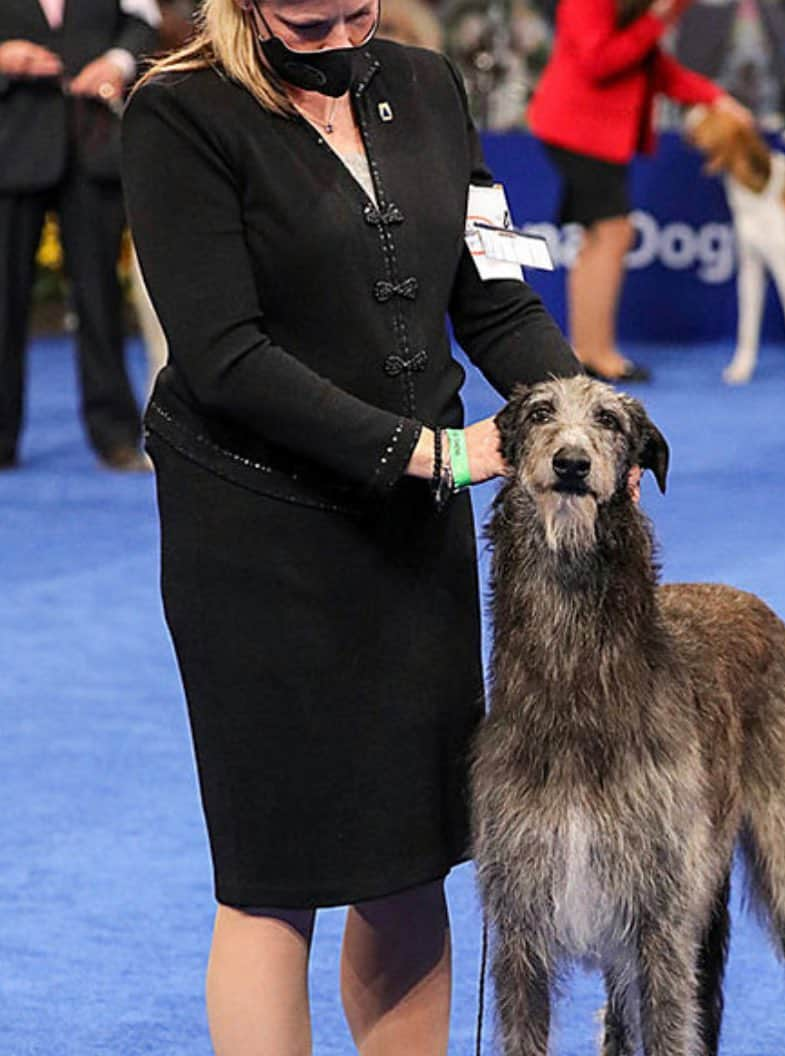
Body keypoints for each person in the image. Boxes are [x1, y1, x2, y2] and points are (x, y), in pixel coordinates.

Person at [121, 0, 581, 1052]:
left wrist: (576, 420)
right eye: (309, 19)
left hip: (409, 544)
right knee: (271, 881)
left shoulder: (429, 86)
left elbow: (496, 297)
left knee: (409, 862)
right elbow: (224, 357)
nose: (340, 40)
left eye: (356, 13)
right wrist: (437, 455)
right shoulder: (176, 114)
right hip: (255, 536)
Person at [528, 0, 752, 382]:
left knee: (598, 237)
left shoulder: (645, 11)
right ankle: (597, 354)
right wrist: (655, 19)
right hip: (577, 128)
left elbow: (656, 69)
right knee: (612, 232)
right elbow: (598, 62)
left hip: (598, 134)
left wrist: (714, 98)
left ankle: (586, 352)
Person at [0, 0, 158, 471]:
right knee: (3, 303)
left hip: (91, 146)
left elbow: (143, 21)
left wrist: (116, 62)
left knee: (100, 299)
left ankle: (115, 435)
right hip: (10, 147)